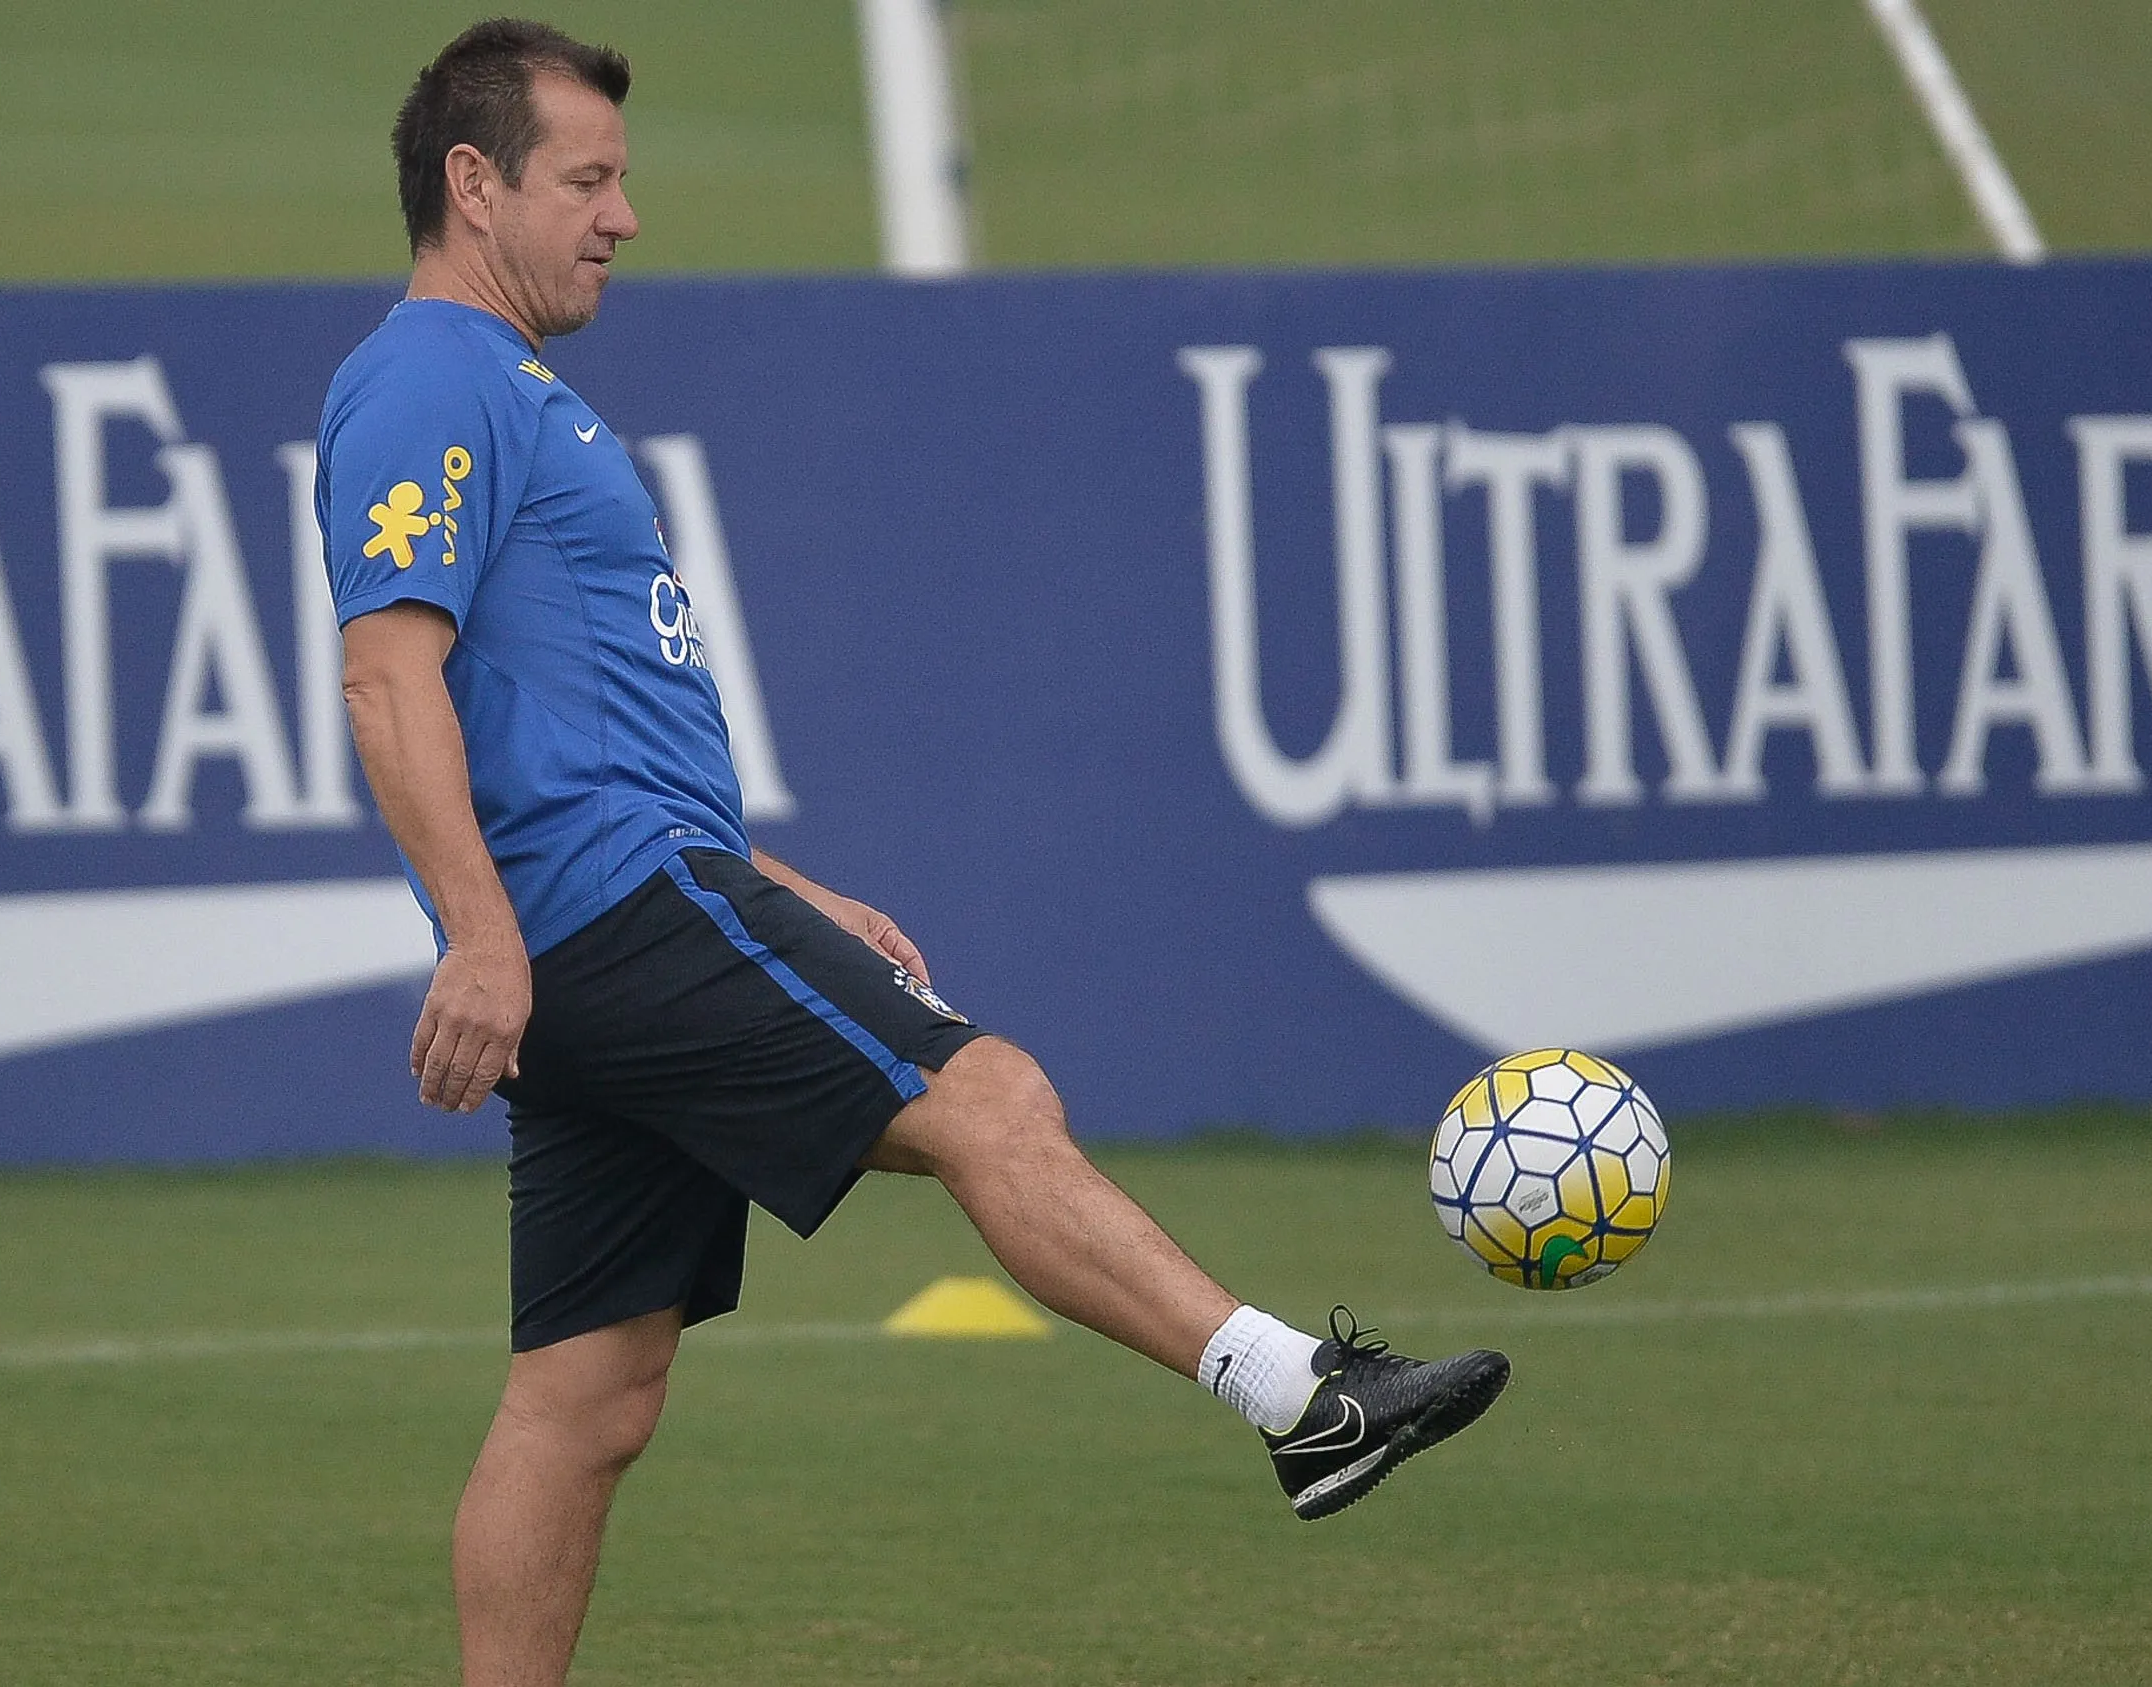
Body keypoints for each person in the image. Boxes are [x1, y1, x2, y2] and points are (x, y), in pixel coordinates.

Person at [317, 20, 1510, 1685]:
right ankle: (1300, 1399)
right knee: (990, 1098)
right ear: (473, 181)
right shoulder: (428, 377)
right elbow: (388, 678)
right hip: (596, 916)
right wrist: (483, 935)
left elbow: (573, 720)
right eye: (587, 179)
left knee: (586, 1397)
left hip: (620, 907)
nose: (623, 216)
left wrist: (770, 887)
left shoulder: (515, 392)